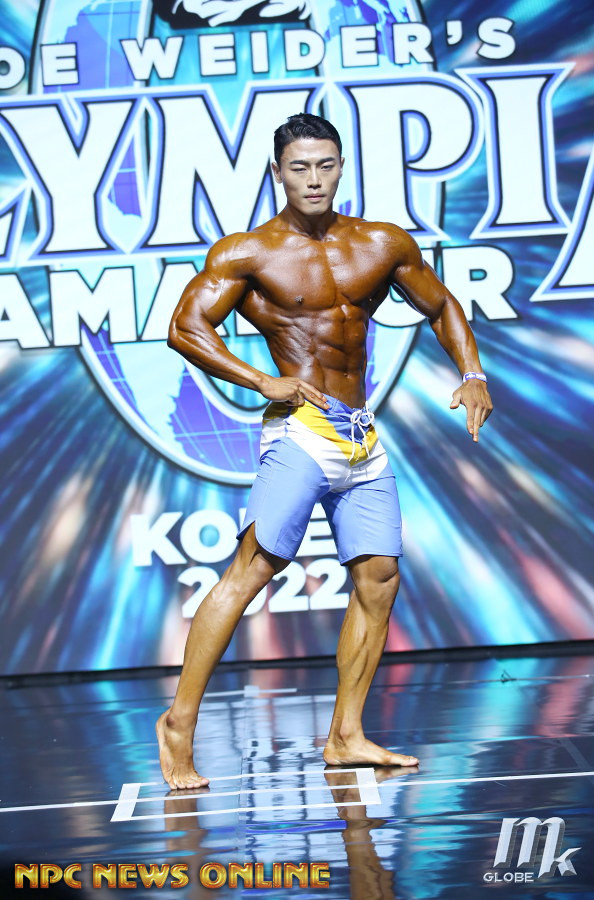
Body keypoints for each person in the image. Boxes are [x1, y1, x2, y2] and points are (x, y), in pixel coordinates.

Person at [157, 113, 493, 789]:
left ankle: (345, 736)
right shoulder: (248, 253)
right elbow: (184, 328)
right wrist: (260, 380)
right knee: (252, 570)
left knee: (379, 578)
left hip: (359, 434)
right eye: (300, 167)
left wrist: (473, 372)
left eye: (325, 165)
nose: (313, 178)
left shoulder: (381, 243)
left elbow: (441, 306)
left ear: (341, 167)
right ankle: (178, 725)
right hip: (299, 430)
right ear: (277, 173)